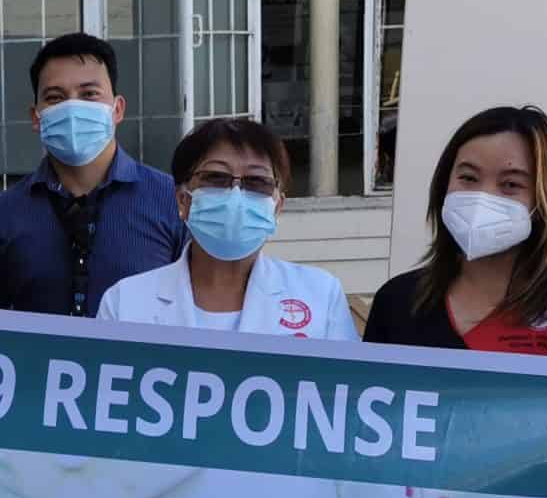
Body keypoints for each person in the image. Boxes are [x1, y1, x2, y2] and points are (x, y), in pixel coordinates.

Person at [362, 104, 547, 358]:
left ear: (545, 200)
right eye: (468, 178)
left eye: (511, 185)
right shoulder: (397, 301)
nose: (483, 197)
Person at [0, 32, 180, 317]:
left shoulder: (172, 202)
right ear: (36, 117)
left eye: (89, 94)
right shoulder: (2, 215)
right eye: (55, 97)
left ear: (117, 110)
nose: (72, 108)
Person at [96, 117, 354, 339]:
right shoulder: (124, 304)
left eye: (256, 181)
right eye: (216, 178)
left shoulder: (320, 297)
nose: (235, 197)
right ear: (183, 200)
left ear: (277, 207)